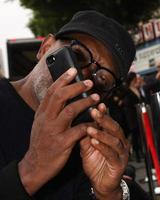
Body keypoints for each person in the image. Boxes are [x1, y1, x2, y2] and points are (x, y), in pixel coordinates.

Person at [0, 10, 137, 200]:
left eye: (102, 79)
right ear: (45, 48)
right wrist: (30, 170)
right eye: (77, 56)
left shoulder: (90, 142)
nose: (85, 76)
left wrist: (109, 194)